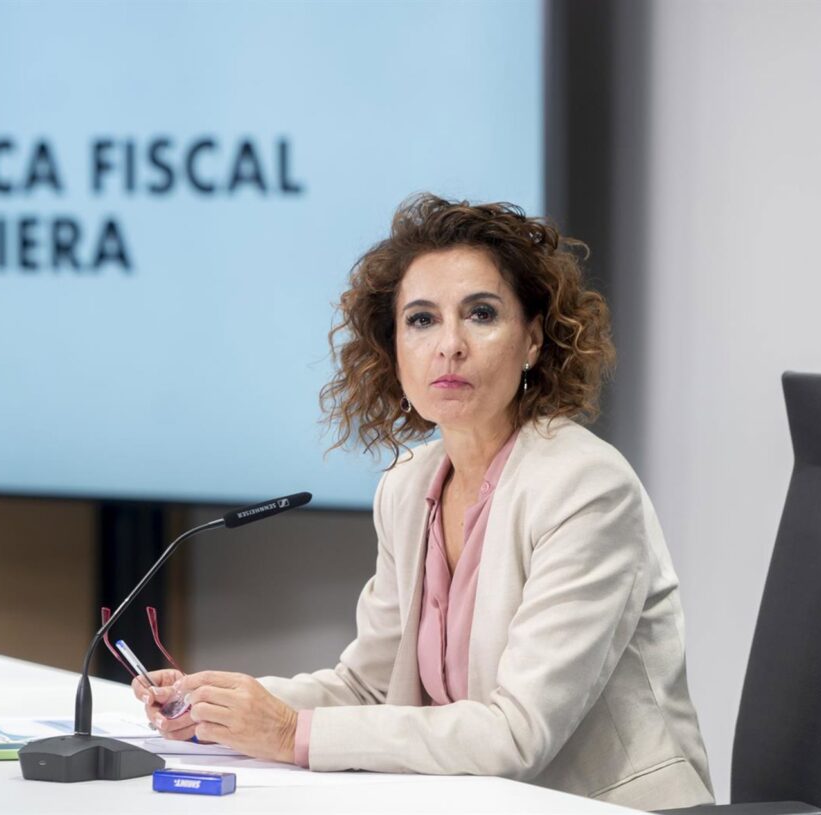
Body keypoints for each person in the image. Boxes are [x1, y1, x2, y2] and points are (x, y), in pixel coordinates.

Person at [133, 195, 713, 810]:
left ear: (533, 342)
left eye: (481, 314)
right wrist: (223, 709)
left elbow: (516, 734)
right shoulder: (410, 483)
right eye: (422, 320)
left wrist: (286, 733)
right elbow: (368, 684)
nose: (450, 345)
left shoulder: (587, 488)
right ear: (394, 349)